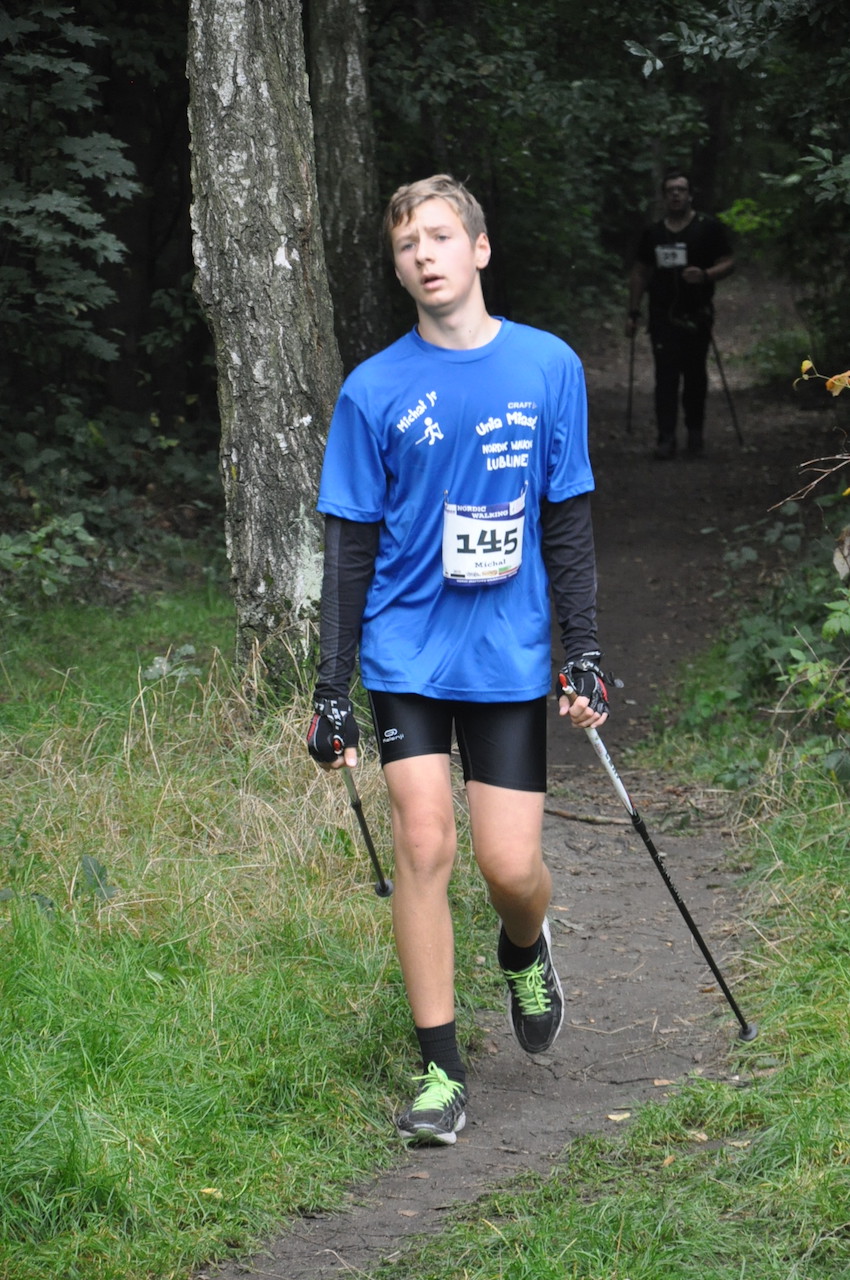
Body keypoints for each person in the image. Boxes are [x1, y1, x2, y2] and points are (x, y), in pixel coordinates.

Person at [306, 174, 610, 1146]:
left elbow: (566, 519)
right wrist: (331, 688)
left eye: (440, 236)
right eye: (408, 245)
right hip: (404, 650)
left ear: (478, 249)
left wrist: (583, 650)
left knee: (509, 865)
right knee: (425, 846)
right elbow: (348, 545)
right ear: (398, 268)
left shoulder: (547, 365)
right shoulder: (373, 389)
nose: (424, 255)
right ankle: (440, 1072)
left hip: (506, 652)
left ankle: (523, 945)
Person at [625, 169, 734, 460]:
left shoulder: (707, 228)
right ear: (664, 197)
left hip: (697, 314)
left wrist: (706, 275)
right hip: (662, 316)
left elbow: (728, 262)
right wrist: (633, 312)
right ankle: (666, 437)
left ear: (690, 195)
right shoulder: (653, 233)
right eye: (670, 190)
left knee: (695, 375)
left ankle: (695, 433)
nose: (676, 194)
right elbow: (640, 272)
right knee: (666, 377)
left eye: (681, 189)